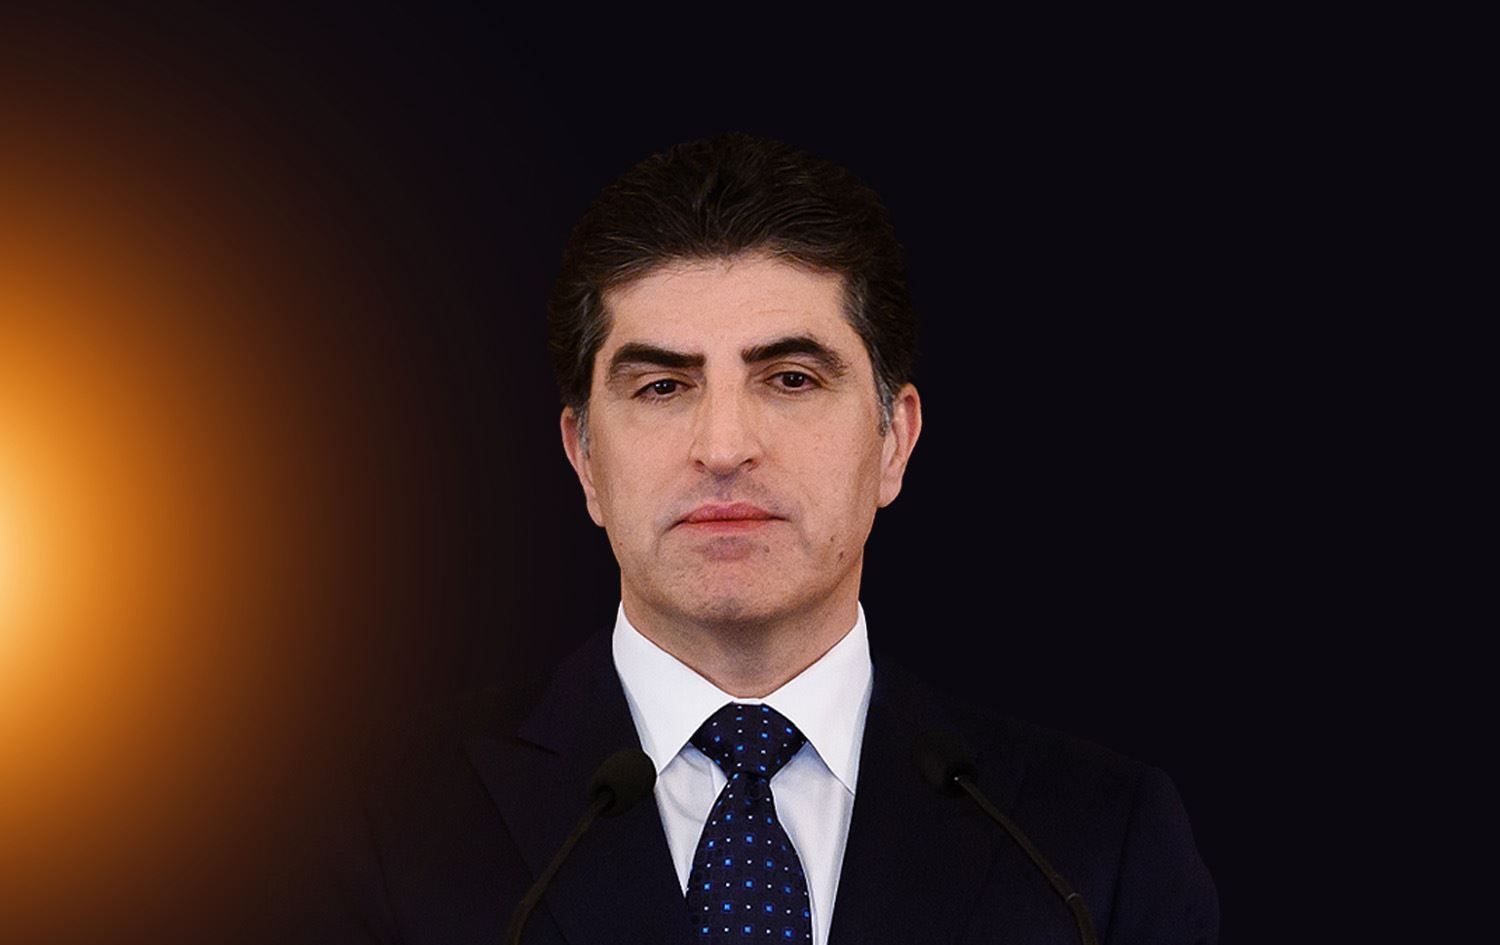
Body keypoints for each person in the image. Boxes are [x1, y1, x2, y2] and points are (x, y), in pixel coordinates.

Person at [304, 133, 1219, 944]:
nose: (724, 447)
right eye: (663, 387)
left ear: (893, 441)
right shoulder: (385, 828)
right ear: (584, 457)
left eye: (789, 378)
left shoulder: (1092, 843)